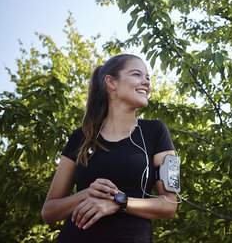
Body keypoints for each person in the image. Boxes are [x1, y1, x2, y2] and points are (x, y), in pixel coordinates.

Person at [42, 54, 178, 243]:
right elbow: (49, 212)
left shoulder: (156, 131)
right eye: (137, 74)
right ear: (111, 82)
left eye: (148, 78)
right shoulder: (80, 137)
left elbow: (170, 206)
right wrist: (86, 193)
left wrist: (119, 203)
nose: (146, 83)